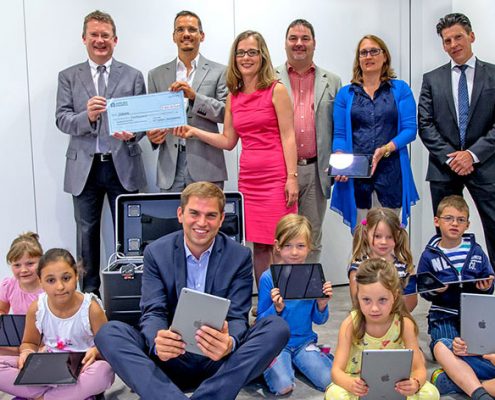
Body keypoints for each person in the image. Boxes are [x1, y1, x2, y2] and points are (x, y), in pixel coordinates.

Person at [95, 182, 290, 400]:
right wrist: (158, 341)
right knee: (109, 333)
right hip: (170, 359)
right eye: (194, 213)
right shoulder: (156, 252)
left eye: (210, 215)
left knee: (277, 327)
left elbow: (237, 316)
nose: (202, 223)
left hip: (218, 362)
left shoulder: (240, 256)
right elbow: (153, 312)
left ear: (221, 219)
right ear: (180, 214)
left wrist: (230, 343)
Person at [174, 31, 298, 284]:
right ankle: (265, 301)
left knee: (282, 242)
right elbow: (228, 141)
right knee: (260, 246)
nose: (246, 58)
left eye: (252, 52)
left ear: (262, 56)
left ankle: (287, 299)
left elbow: (288, 136)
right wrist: (194, 131)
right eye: (241, 53)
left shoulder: (277, 90)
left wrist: (292, 178)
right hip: (250, 181)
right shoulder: (234, 96)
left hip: (276, 178)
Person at [55, 10, 147, 296]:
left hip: (123, 166)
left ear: (115, 39)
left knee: (130, 234)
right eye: (94, 35)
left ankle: (131, 293)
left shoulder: (133, 75)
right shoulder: (68, 76)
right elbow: (61, 119)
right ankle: (90, 295)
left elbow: (143, 122)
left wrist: (134, 132)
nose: (99, 40)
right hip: (85, 168)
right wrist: (87, 117)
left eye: (105, 35)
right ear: (84, 39)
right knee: (86, 235)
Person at [418, 13, 495, 269]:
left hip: (486, 167)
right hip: (444, 168)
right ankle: (448, 290)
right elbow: (425, 124)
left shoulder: (493, 75)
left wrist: (471, 155)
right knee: (447, 234)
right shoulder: (432, 79)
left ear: (471, 36)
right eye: (447, 40)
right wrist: (453, 157)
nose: (453, 44)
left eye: (458, 37)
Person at [331, 34, 419, 231]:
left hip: (391, 173)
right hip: (358, 176)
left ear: (384, 56)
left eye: (374, 51)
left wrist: (386, 148)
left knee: (388, 238)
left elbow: (410, 130)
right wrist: (340, 158)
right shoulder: (346, 94)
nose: (368, 56)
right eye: (363, 53)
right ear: (358, 59)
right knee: (362, 239)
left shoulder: (400, 89)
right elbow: (339, 135)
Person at [0, 248, 114, 399]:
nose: (60, 286)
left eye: (66, 278)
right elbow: (29, 342)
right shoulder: (37, 308)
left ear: (76, 276)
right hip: (48, 366)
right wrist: (27, 353)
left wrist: (95, 351)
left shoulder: (91, 308)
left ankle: (45, 397)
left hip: (82, 368)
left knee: (104, 372)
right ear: (40, 281)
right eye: (51, 280)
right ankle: (64, 395)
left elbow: (108, 347)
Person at [275, 19, 342, 262]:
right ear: (285, 44)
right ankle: (281, 295)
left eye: (305, 39)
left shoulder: (332, 81)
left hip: (317, 170)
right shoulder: (269, 79)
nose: (299, 44)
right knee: (281, 236)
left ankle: (308, 295)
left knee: (311, 237)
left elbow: (340, 128)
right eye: (293, 38)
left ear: (314, 43)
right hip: (281, 171)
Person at [325, 258, 439, 400]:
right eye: (366, 300)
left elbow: (419, 368)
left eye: (382, 300)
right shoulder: (350, 324)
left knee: (431, 393)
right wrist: (350, 384)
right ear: (358, 297)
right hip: (358, 384)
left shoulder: (404, 323)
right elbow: (336, 371)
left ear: (395, 296)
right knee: (335, 395)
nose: (374, 308)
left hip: (396, 384)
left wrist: (414, 383)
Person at [417, 195, 494, 399]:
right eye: (449, 218)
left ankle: (452, 379)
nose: (454, 224)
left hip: (474, 315)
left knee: (480, 348)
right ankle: (471, 375)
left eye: (461, 220)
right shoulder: (429, 255)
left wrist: (486, 286)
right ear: (437, 221)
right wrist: (435, 290)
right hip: (443, 314)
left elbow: (489, 279)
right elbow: (423, 288)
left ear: (467, 224)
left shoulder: (476, 251)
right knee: (448, 346)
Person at [147, 10, 228, 192]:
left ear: (202, 35)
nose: (186, 34)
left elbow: (225, 113)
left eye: (192, 29)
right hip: (169, 169)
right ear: (174, 36)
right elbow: (152, 119)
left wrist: (195, 97)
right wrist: (152, 137)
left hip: (207, 165)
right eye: (180, 29)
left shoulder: (221, 71)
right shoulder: (156, 75)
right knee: (172, 219)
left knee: (207, 220)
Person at [257, 214, 333, 394]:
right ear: (277, 246)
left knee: (329, 381)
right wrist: (276, 309)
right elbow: (260, 321)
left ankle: (303, 360)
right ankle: (273, 364)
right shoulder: (268, 278)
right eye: (288, 246)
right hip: (277, 344)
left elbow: (319, 320)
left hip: (303, 342)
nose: (294, 252)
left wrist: (322, 304)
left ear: (309, 248)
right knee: (283, 386)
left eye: (300, 246)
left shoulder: (313, 275)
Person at [349, 207, 416, 311]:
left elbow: (411, 306)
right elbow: (357, 304)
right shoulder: (357, 268)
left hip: (397, 321)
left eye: (389, 237)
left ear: (397, 236)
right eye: (377, 236)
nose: (383, 242)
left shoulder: (406, 267)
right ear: (366, 234)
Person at [0, 232, 43, 315]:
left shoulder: (49, 287)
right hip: (19, 328)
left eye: (30, 264)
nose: (23, 270)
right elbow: (2, 310)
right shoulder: (9, 286)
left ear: (42, 261)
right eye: (17, 265)